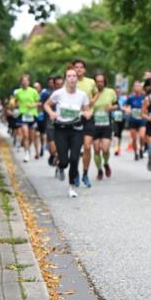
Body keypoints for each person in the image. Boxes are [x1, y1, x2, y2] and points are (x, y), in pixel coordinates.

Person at [44, 66, 92, 198]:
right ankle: (60, 166)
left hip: (76, 129)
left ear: (77, 79)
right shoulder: (58, 93)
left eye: (74, 76)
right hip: (61, 129)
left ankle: (71, 187)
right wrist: (52, 113)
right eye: (69, 76)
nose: (72, 78)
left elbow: (87, 110)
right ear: (66, 79)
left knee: (75, 159)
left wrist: (87, 114)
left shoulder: (82, 95)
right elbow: (46, 105)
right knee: (64, 161)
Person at [72, 59, 98, 187]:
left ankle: (85, 174)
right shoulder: (70, 82)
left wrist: (91, 103)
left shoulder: (91, 82)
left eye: (81, 67)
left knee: (87, 147)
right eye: (76, 67)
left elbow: (97, 93)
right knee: (76, 148)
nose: (79, 69)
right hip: (75, 118)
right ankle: (75, 173)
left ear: (85, 69)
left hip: (88, 117)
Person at [88, 73, 119, 181]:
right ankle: (99, 170)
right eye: (98, 81)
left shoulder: (110, 92)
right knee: (96, 150)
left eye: (102, 81)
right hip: (94, 125)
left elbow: (117, 105)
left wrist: (111, 108)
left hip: (106, 125)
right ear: (95, 83)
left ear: (104, 82)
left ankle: (106, 163)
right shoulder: (92, 94)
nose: (100, 83)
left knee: (105, 149)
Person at [13, 74, 40, 163]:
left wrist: (32, 105)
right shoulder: (18, 92)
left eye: (26, 81)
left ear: (29, 82)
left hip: (32, 115)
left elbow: (39, 103)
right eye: (23, 81)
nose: (25, 82)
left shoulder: (33, 91)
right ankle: (26, 153)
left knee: (31, 137)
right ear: (21, 82)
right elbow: (15, 102)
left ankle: (28, 148)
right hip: (23, 115)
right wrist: (15, 106)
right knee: (25, 134)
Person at [124, 80, 147, 161]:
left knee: (142, 136)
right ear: (133, 88)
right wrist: (127, 110)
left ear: (141, 88)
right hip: (133, 120)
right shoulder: (131, 98)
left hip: (142, 120)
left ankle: (141, 148)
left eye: (139, 86)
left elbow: (148, 107)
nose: (137, 88)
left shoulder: (144, 97)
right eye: (135, 86)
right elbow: (124, 106)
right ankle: (136, 153)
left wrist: (145, 111)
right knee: (134, 139)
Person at [46, 75, 63, 166]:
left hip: (63, 123)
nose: (59, 86)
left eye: (61, 84)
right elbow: (44, 105)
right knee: (53, 149)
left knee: (61, 147)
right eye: (57, 84)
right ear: (54, 85)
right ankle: (53, 155)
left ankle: (59, 162)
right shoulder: (50, 95)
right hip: (51, 123)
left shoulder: (67, 95)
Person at [34, 81, 48, 158]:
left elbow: (44, 104)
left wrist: (35, 104)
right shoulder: (32, 94)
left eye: (37, 87)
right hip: (34, 116)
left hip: (42, 116)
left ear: (40, 87)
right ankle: (36, 152)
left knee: (42, 135)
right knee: (36, 134)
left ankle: (42, 146)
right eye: (34, 87)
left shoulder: (44, 94)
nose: (36, 88)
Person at [112, 86, 127, 156]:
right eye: (116, 92)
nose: (117, 93)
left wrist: (124, 108)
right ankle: (116, 148)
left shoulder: (124, 99)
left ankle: (118, 147)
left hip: (122, 118)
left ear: (120, 92)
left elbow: (127, 107)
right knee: (116, 133)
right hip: (114, 118)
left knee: (119, 134)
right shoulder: (112, 99)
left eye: (119, 92)